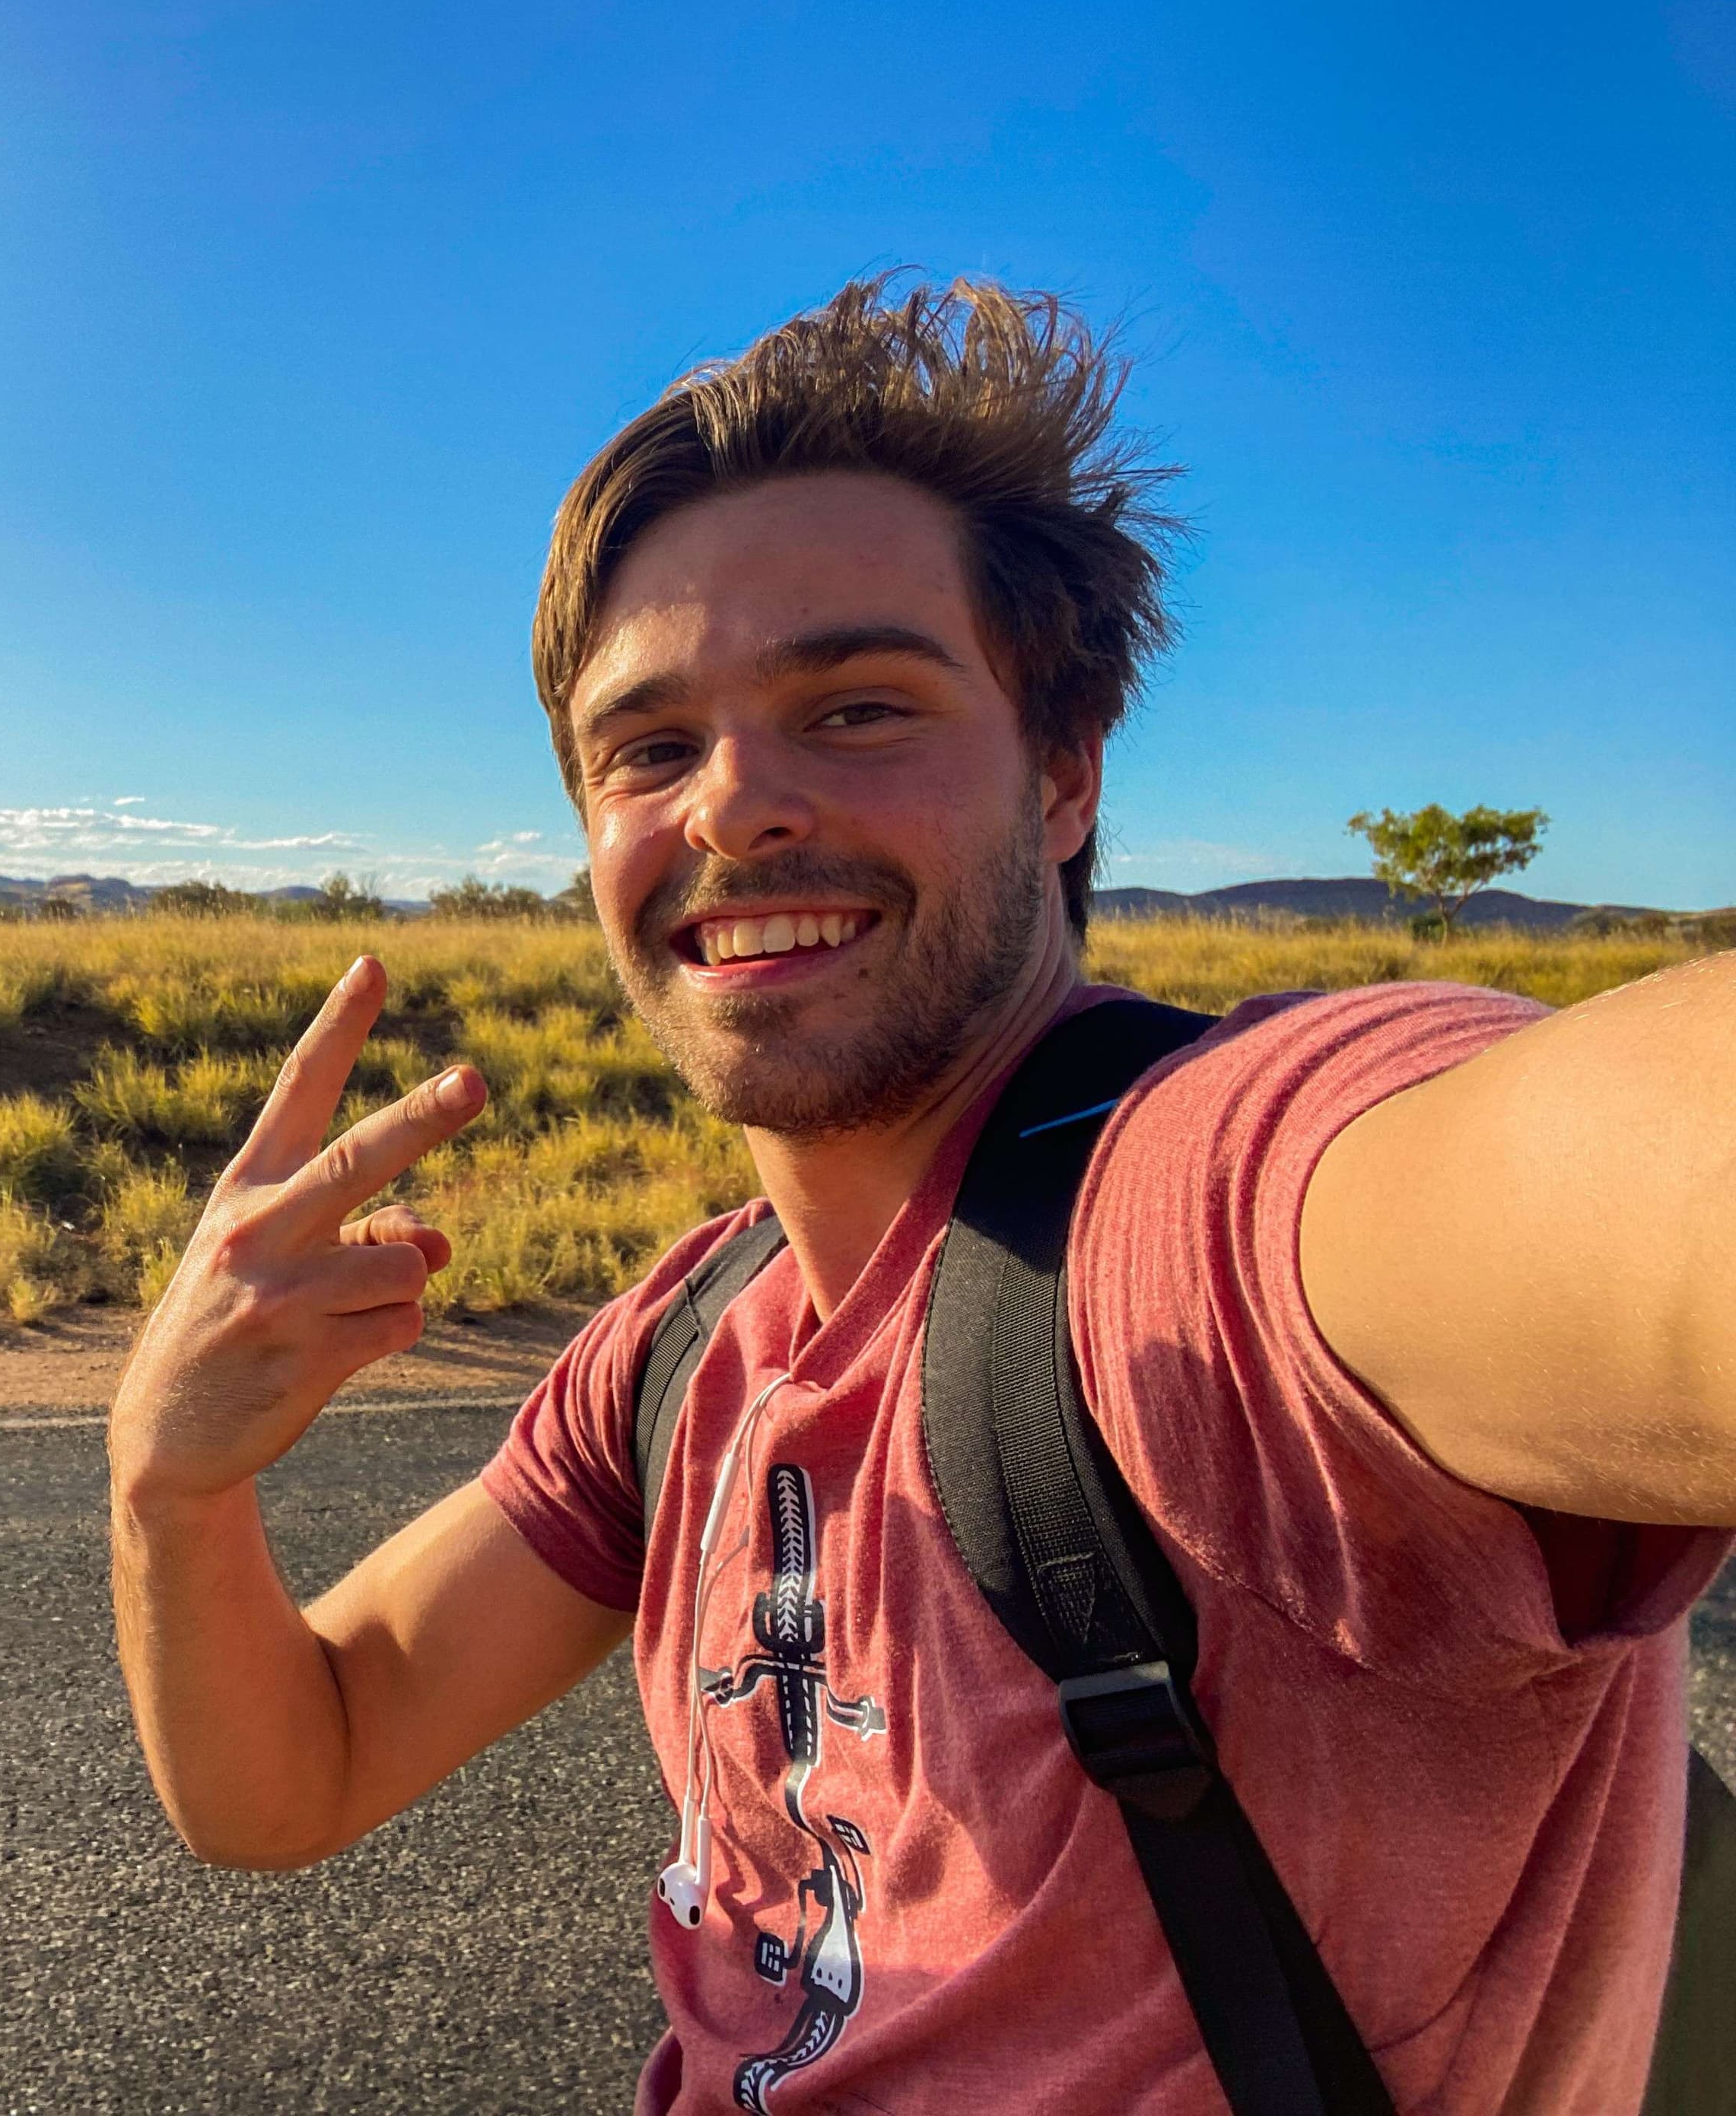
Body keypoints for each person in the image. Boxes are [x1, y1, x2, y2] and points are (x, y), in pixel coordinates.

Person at [107, 276, 1736, 2111]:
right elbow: (296, 1771)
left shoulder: (1211, 1210)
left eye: (860, 707)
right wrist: (172, 1481)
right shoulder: (688, 1344)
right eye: (650, 747)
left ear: (1063, 776)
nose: (732, 806)